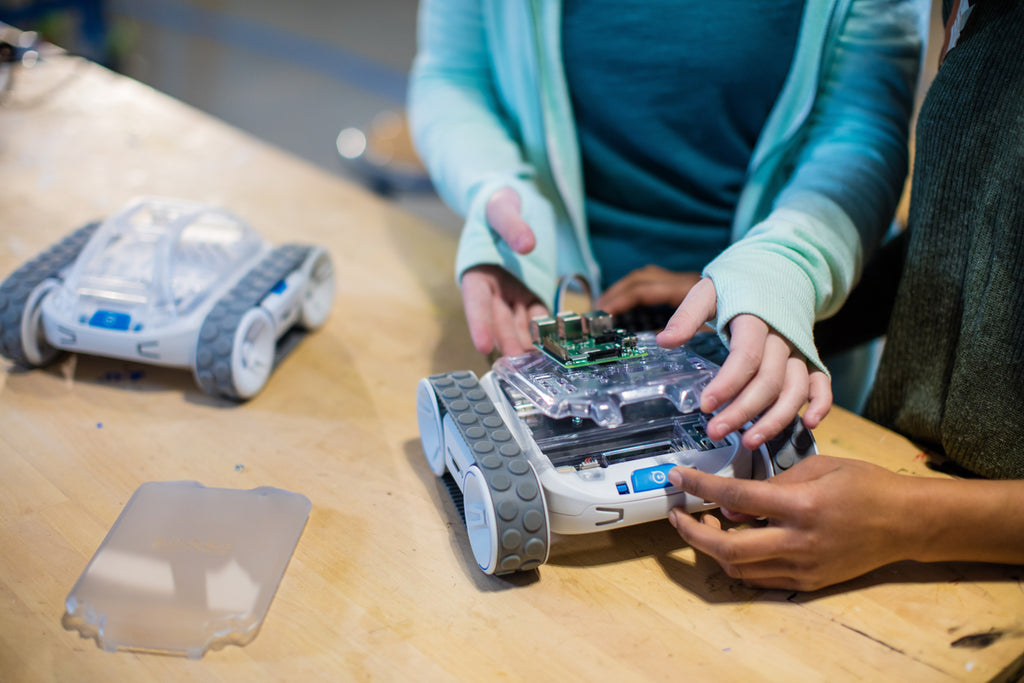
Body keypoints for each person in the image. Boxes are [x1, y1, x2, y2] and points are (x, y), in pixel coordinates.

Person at [408, 0, 929, 451]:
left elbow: (861, 127)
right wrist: (496, 190)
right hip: (541, 311)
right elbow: (454, 75)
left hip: (768, 333)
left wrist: (784, 265)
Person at [666, 0, 1024, 591]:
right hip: (916, 497)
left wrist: (909, 519)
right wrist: (766, 310)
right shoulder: (975, 15)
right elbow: (968, 240)